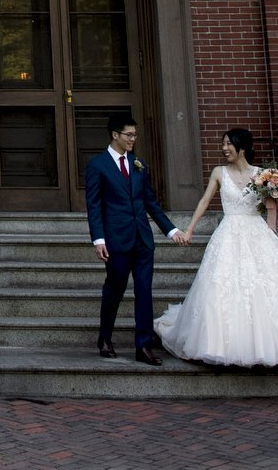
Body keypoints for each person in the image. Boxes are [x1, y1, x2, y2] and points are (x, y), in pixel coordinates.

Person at [154, 127, 278, 369]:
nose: (224, 148)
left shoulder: (263, 175)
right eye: (222, 144)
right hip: (228, 232)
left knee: (266, 290)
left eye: (228, 144)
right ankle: (217, 345)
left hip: (257, 233)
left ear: (242, 148)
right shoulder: (218, 172)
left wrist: (272, 231)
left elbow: (271, 204)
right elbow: (205, 200)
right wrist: (190, 229)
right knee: (221, 287)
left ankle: (272, 347)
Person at [85, 113, 182, 365]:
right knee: (114, 290)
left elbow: (150, 201)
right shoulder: (97, 166)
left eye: (135, 135)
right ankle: (105, 338)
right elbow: (94, 206)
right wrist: (98, 239)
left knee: (144, 290)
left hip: (142, 239)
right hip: (116, 240)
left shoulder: (138, 163)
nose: (133, 139)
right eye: (129, 135)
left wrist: (171, 230)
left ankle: (144, 345)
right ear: (114, 135)